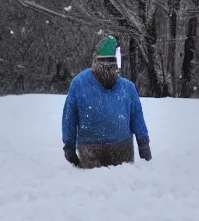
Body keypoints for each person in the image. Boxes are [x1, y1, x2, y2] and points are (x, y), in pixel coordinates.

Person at [62, 35, 152, 169]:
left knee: (95, 187)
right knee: (121, 185)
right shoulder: (127, 88)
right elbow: (136, 117)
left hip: (90, 148)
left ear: (95, 59)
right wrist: (143, 143)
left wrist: (69, 145)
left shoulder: (79, 83)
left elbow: (70, 116)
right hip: (121, 147)